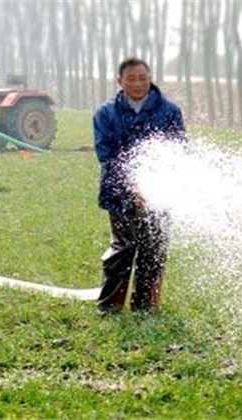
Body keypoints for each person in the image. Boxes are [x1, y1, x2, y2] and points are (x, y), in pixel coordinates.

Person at [93, 57, 186, 314]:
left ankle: (145, 307)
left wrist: (156, 183)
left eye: (143, 78)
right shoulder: (105, 113)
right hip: (120, 193)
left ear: (150, 78)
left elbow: (178, 152)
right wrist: (132, 184)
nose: (138, 83)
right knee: (123, 248)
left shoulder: (169, 111)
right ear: (119, 81)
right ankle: (110, 306)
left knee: (153, 249)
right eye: (131, 79)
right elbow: (107, 155)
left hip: (160, 192)